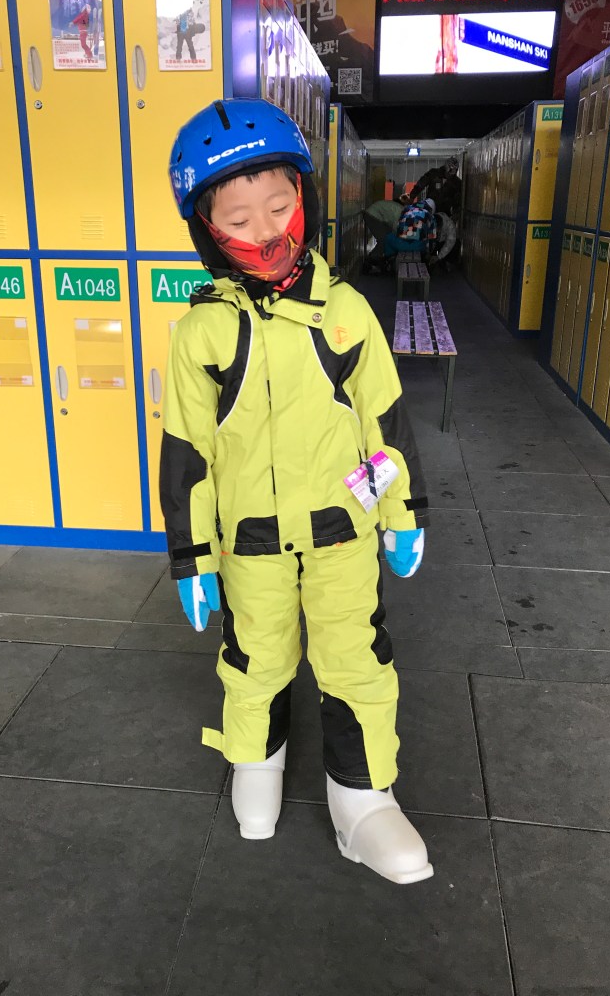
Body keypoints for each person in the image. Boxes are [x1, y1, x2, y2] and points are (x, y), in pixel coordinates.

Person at [161, 98, 432, 885]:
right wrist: (191, 556)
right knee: (255, 657)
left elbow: (384, 422)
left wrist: (403, 512)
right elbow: (187, 455)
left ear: (304, 200)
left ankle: (363, 801)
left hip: (343, 535)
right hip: (251, 546)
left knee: (356, 660)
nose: (265, 230)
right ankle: (257, 764)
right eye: (239, 217)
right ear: (207, 230)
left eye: (279, 206)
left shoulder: (345, 313)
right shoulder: (203, 333)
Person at [383, 197, 437, 264]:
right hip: (417, 247)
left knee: (388, 237)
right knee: (425, 239)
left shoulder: (407, 208)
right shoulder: (430, 216)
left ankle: (389, 260)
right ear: (431, 209)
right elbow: (432, 239)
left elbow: (398, 228)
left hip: (400, 245)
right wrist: (429, 254)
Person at [362, 194, 403, 270]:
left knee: (388, 237)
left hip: (377, 215)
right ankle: (371, 260)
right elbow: (395, 228)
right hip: (373, 216)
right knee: (383, 239)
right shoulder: (401, 212)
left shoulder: (402, 210)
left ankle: (381, 258)